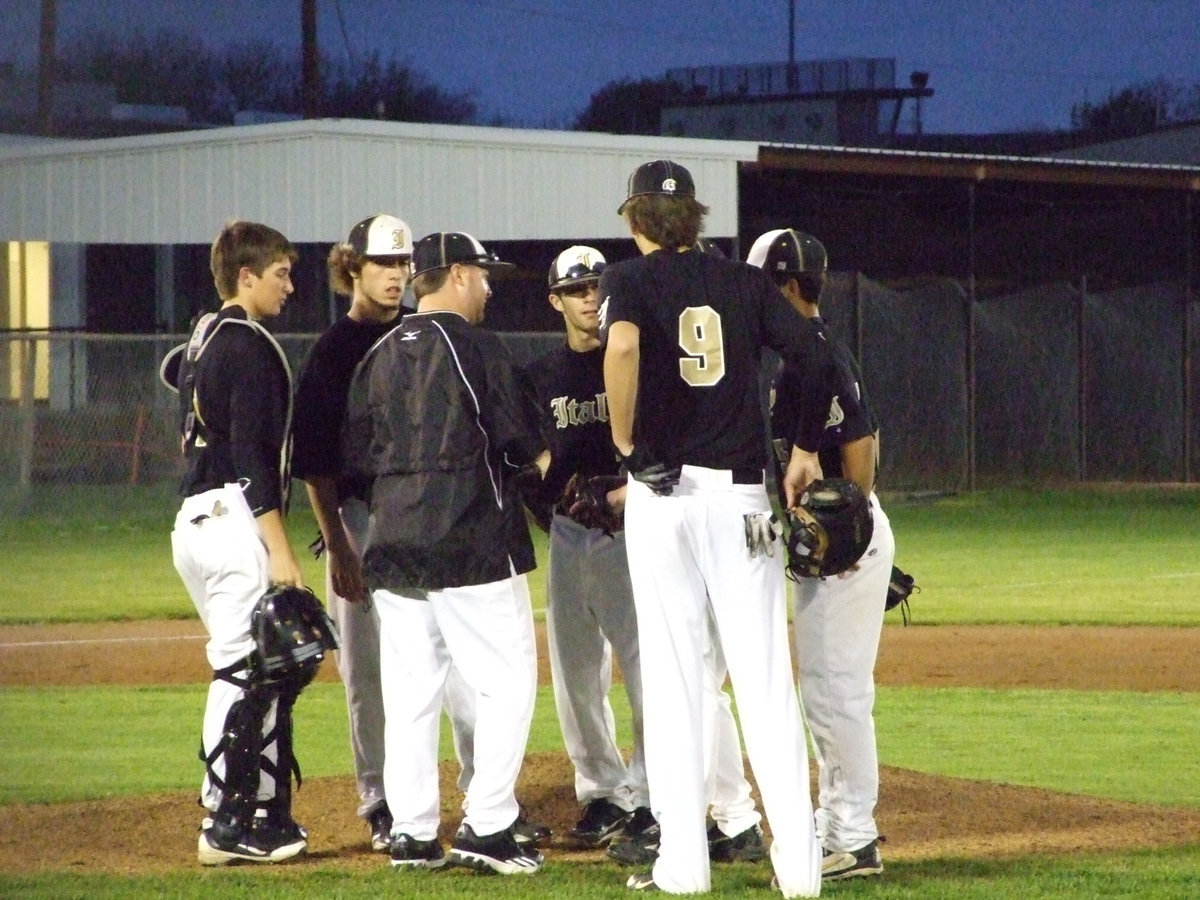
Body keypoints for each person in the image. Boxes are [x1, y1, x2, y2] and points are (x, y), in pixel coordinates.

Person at [601, 159, 822, 897]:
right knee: (763, 683)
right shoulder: (744, 281)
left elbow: (625, 348)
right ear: (694, 216)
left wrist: (628, 448)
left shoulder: (629, 281)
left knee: (674, 680)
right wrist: (806, 450)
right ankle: (801, 874)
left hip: (663, 499)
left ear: (634, 218)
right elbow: (814, 356)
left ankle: (684, 868)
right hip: (742, 502)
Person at [342, 231, 549, 875]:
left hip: (393, 545)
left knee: (411, 692)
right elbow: (517, 447)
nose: (487, 286)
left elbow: (356, 457)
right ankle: (488, 826)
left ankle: (412, 832)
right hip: (469, 541)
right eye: (482, 275)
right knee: (509, 683)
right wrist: (542, 466)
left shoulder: (375, 354)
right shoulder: (476, 346)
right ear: (455, 275)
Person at [291, 214, 477, 855]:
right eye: (382, 265)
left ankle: (478, 795)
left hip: (425, 517)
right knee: (366, 673)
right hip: (360, 520)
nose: (396, 276)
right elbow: (313, 463)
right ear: (352, 269)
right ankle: (378, 799)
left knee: (453, 666)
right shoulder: (331, 353)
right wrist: (339, 547)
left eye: (402, 265)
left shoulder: (422, 336)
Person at [748, 228, 895, 880]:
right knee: (830, 693)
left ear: (784, 288)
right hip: (835, 546)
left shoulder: (817, 359)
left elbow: (861, 457)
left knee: (836, 696)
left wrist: (847, 538)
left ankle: (853, 837)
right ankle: (840, 822)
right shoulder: (801, 353)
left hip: (843, 547)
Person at [166, 220, 309, 865]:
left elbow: (180, 381)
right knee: (245, 671)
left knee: (255, 666)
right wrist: (280, 548)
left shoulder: (204, 339)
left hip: (194, 520)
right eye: (279, 273)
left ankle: (255, 810)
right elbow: (253, 458)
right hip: (233, 518)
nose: (289, 285)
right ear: (246, 277)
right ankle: (227, 823)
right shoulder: (247, 344)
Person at [522, 245, 652, 848]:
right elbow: (526, 455)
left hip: (632, 534)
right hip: (572, 538)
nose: (589, 297)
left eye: (596, 286)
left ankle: (652, 795)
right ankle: (602, 794)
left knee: (646, 664)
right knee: (577, 673)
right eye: (576, 290)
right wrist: (550, 496)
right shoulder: (542, 376)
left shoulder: (631, 359)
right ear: (555, 300)